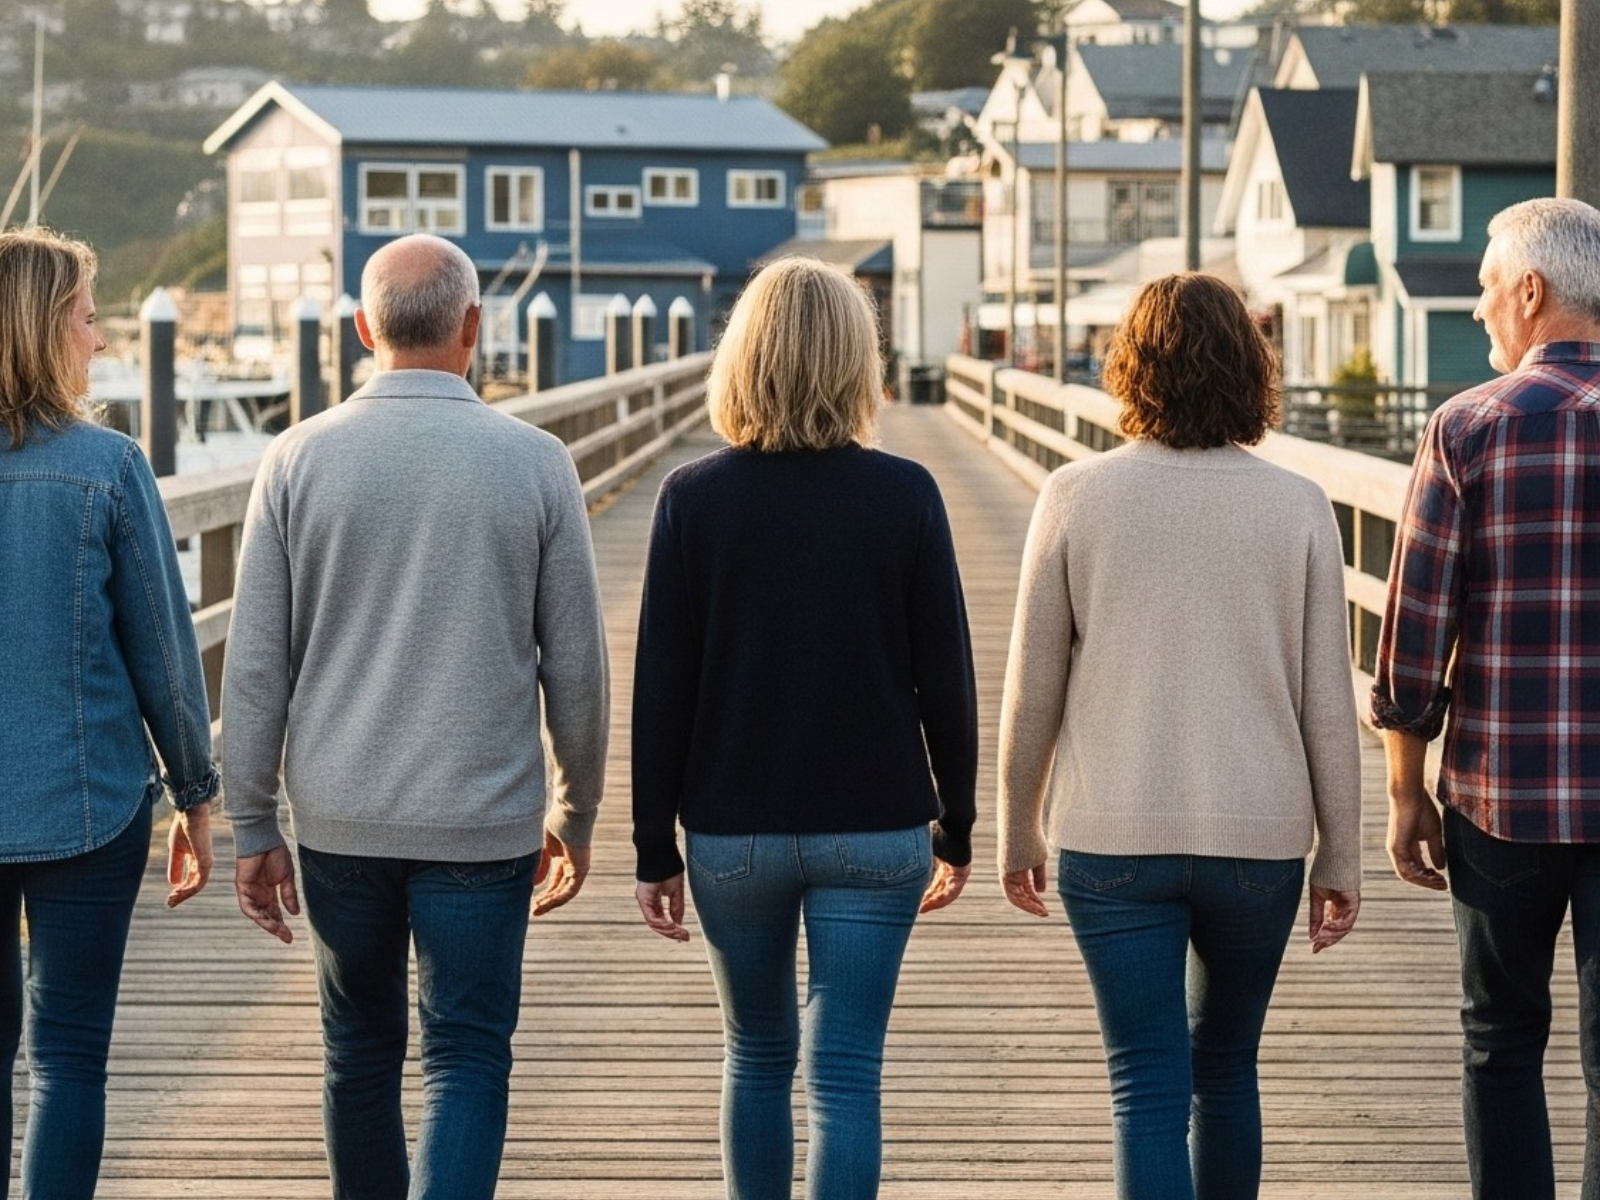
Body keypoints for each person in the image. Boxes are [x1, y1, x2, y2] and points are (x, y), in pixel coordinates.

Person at [221, 232, 609, 1200]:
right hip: (484, 820)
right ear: (474, 326)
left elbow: (255, 665)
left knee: (357, 1054)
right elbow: (578, 668)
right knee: (467, 1056)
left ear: (364, 327)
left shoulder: (295, 459)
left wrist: (253, 822)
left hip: (341, 819)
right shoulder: (537, 462)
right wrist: (577, 811)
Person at [997, 272, 1363, 1200]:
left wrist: (1016, 826)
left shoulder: (1075, 495)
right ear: (1250, 368)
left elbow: (1033, 691)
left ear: (1130, 367)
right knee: (1227, 1070)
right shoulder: (1299, 504)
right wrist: (1342, 854)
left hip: (1112, 836)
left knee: (1146, 1088)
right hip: (1260, 842)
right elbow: (1329, 700)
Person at [631, 256, 977, 1200]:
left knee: (755, 1055)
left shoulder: (691, 499)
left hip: (732, 829)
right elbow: (947, 680)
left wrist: (653, 846)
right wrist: (957, 824)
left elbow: (662, 688)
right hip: (876, 824)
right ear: (858, 362)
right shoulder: (906, 494)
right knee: (847, 1072)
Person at [1372, 196, 1600, 1200]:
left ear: (1531, 291)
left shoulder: (1467, 427)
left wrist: (1403, 793)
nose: (1476, 309)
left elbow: (1414, 642)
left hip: (1503, 801)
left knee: (1500, 1042)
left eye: (1484, 287)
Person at [0, 227, 217, 1198]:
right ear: (45, 330)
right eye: (87, 319)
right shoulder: (108, 466)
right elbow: (165, 652)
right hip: (87, 804)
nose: (98, 340)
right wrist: (196, 791)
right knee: (70, 1053)